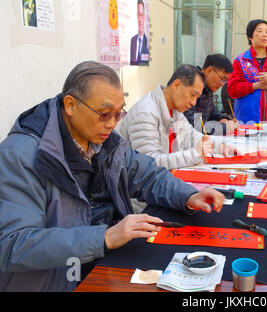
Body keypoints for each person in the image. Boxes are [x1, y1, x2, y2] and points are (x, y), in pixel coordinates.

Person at [0, 61, 225, 292]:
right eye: (104, 114)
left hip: (102, 259)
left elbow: (146, 174)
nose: (112, 124)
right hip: (55, 279)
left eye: (119, 113)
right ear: (70, 105)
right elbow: (14, 244)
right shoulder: (21, 156)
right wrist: (105, 237)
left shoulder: (105, 140)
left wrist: (188, 195)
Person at [117, 64, 238, 171]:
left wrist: (220, 146)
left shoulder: (175, 111)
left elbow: (192, 137)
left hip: (165, 178)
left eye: (197, 97)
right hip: (140, 190)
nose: (193, 103)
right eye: (193, 95)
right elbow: (149, 164)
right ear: (176, 85)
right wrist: (195, 153)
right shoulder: (146, 113)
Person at [184, 54, 238, 136]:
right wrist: (223, 127)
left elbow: (211, 112)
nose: (223, 84)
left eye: (225, 81)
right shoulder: (191, 84)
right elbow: (192, 123)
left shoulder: (208, 88)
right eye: (222, 79)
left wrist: (223, 118)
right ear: (209, 71)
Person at [130, 0, 149, 66]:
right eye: (138, 15)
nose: (140, 20)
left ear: (144, 17)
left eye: (142, 15)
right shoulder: (133, 40)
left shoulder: (147, 41)